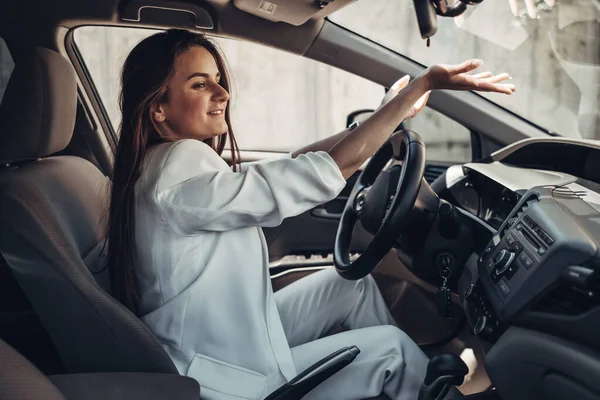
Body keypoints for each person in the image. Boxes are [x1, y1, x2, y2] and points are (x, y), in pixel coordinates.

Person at [104, 29, 514, 400]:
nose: (222, 94)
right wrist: (420, 88)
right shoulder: (178, 168)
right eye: (200, 84)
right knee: (393, 350)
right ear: (158, 108)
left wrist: (381, 117)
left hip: (217, 340)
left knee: (349, 285)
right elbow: (321, 172)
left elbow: (286, 169)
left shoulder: (160, 164)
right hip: (226, 380)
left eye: (218, 80)